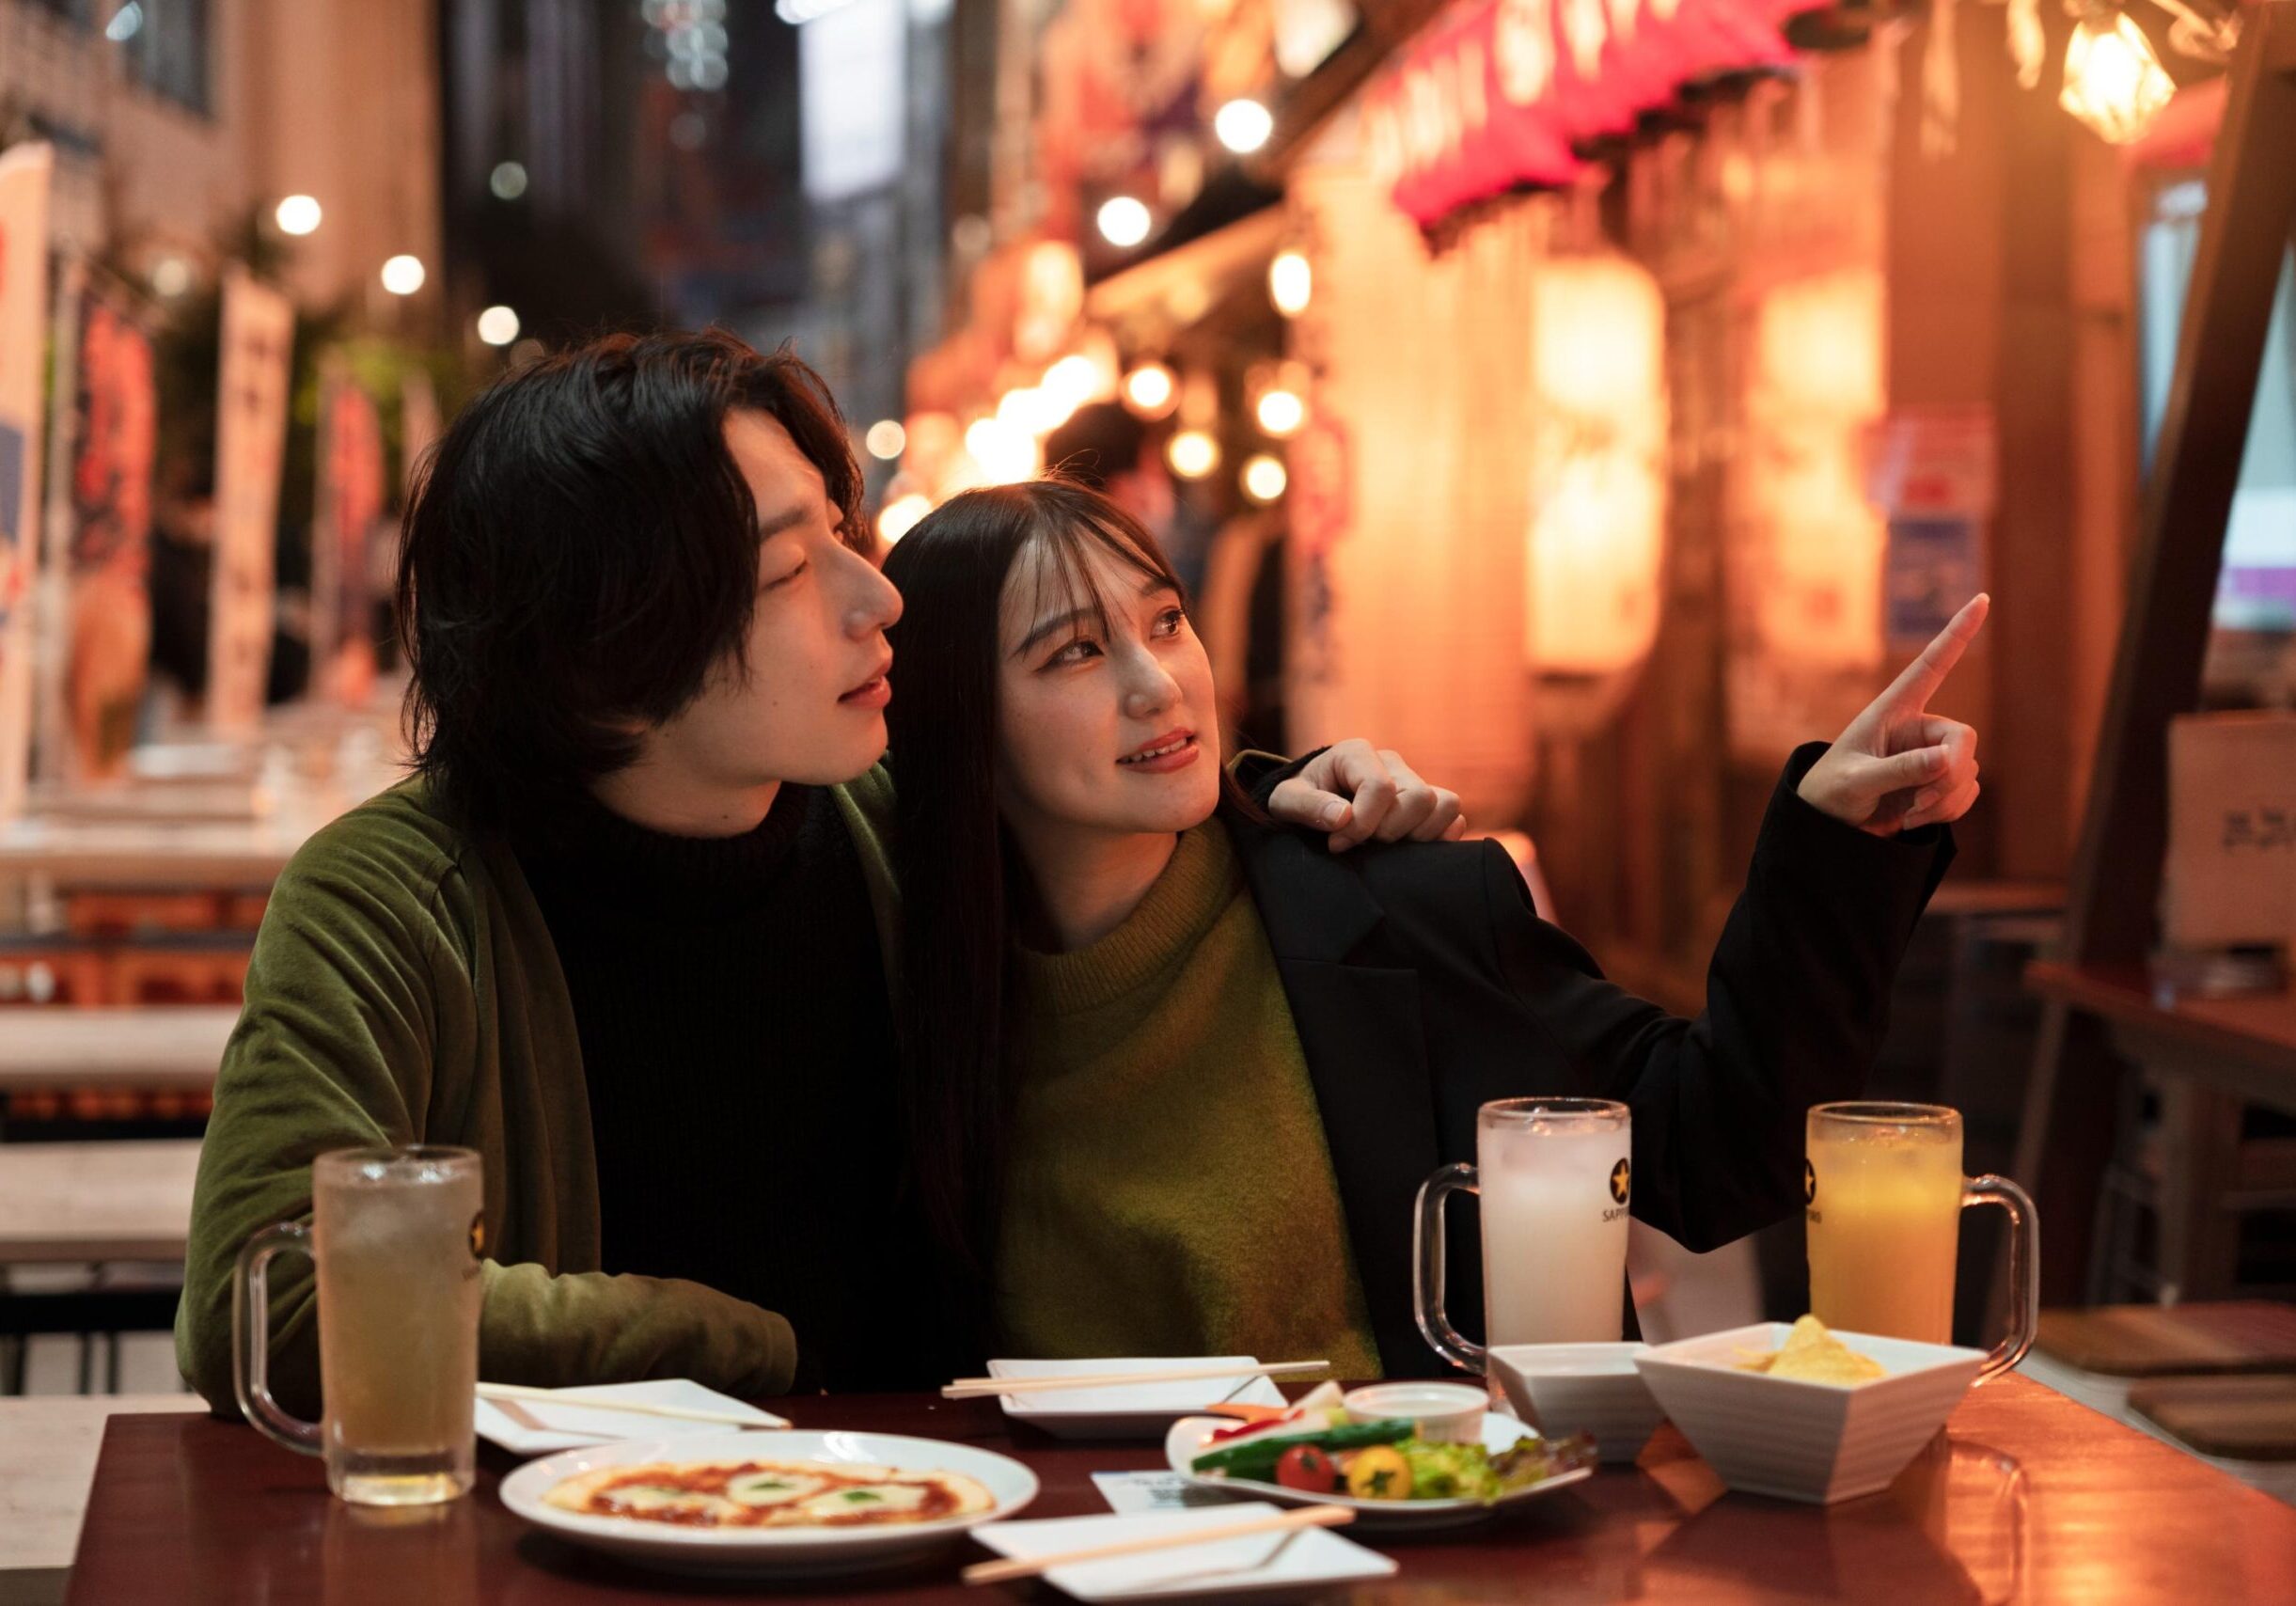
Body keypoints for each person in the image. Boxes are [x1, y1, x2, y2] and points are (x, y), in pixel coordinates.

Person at [174, 332, 1464, 1414]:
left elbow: (1112, 774)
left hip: (934, 1523)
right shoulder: (395, 904)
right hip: (577, 1549)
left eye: (843, 530)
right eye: (792, 568)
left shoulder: (894, 821)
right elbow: (270, 1301)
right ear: (605, 652)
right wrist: (748, 1350)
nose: (878, 597)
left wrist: (1269, 797)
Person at [879, 478, 1981, 1374]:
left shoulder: (1392, 907)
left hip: (1418, 1538)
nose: (1154, 683)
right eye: (1072, 651)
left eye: (1166, 621)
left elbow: (1714, 1146)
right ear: (958, 722)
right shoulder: (904, 985)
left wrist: (1833, 845)